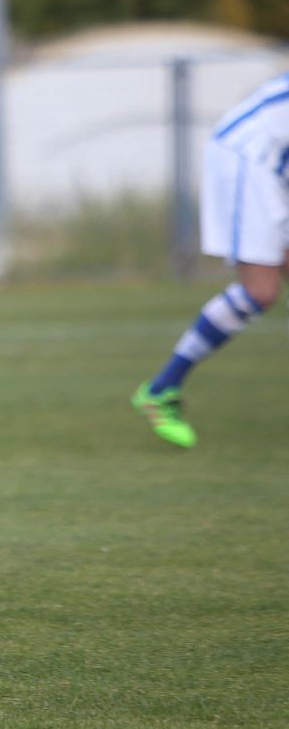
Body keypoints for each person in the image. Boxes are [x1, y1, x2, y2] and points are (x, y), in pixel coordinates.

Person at [132, 71, 288, 447]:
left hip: (273, 161)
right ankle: (161, 388)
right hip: (249, 156)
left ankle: (162, 386)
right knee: (260, 290)